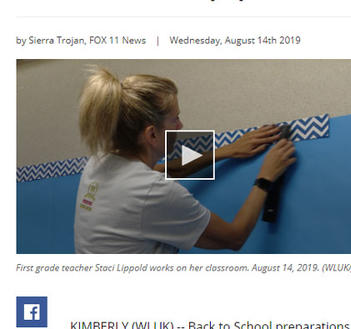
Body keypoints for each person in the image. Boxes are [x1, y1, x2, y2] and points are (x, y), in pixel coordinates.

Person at [74, 67, 296, 253]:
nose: (180, 126)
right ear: (152, 134)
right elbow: (234, 238)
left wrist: (226, 151)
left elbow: (168, 170)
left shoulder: (99, 162)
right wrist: (265, 177)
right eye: (175, 119)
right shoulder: (152, 191)